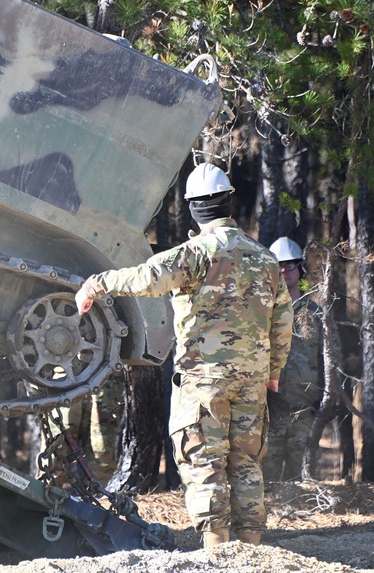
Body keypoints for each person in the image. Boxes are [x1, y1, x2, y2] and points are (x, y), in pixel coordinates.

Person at [75, 162, 291, 548]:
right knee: (246, 462)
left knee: (204, 461)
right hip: (252, 380)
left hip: (202, 380)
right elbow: (282, 322)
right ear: (228, 202)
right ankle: (252, 547)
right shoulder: (265, 258)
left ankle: (216, 548)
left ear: (194, 208)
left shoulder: (193, 254)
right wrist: (273, 371)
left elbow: (144, 277)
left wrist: (95, 285)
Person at [262, 237, 322, 482]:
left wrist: (326, 398)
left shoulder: (316, 313)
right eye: (279, 266)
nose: (284, 270)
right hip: (269, 408)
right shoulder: (262, 312)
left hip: (304, 408)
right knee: (267, 473)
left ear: (300, 269)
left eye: (290, 265)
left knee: (302, 475)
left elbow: (328, 359)